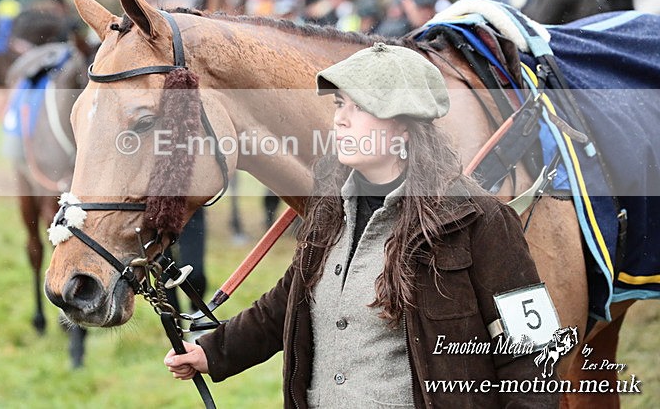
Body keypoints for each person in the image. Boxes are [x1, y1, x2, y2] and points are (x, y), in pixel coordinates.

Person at [164, 42, 558, 407]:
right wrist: (213, 352)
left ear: (405, 126)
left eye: (360, 107)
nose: (340, 120)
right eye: (339, 105)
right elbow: (288, 301)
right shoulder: (329, 209)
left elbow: (536, 354)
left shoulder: (480, 221)